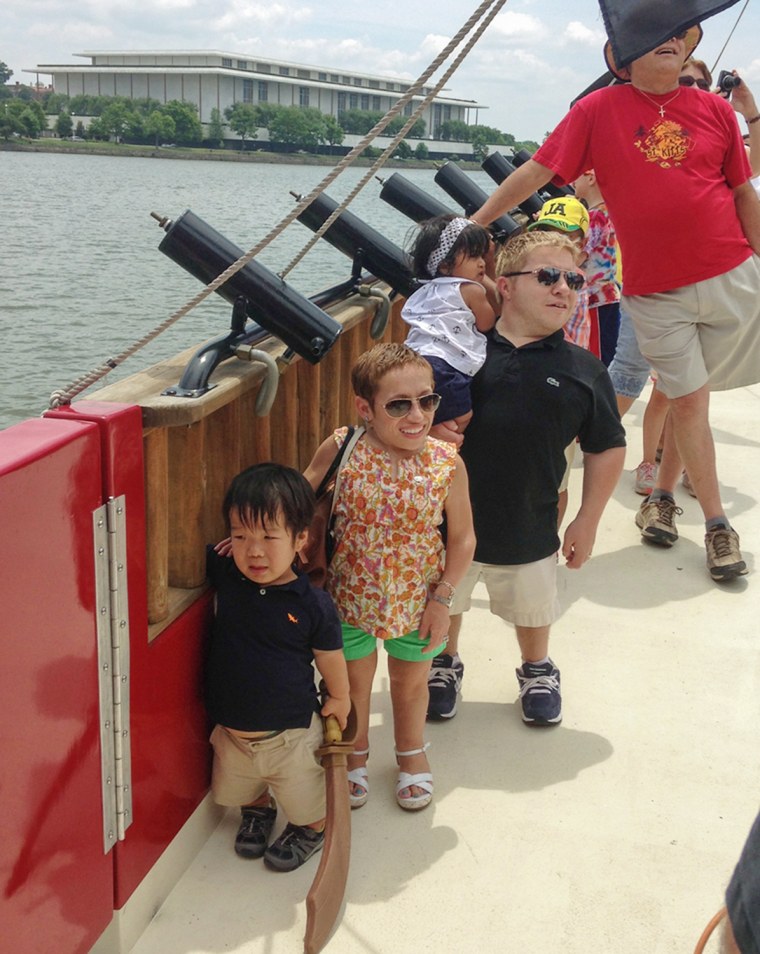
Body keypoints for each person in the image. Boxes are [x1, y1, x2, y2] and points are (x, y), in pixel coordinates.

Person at [471, 24, 760, 583]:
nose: (670, 39)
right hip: (655, 294)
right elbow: (537, 170)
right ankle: (719, 526)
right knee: (690, 399)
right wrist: (475, 224)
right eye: (656, 33)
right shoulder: (597, 110)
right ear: (621, 59)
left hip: (732, 274)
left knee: (687, 398)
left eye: (681, 33)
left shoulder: (717, 112)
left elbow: (743, 192)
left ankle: (664, 495)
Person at [427, 230, 626, 724]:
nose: (564, 288)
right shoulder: (459, 355)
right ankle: (443, 661)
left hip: (530, 525)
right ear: (505, 286)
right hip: (445, 527)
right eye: (547, 276)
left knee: (535, 610)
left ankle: (537, 668)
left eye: (573, 280)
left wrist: (587, 519)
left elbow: (607, 447)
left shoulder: (584, 370)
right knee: (445, 600)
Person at [303, 343, 476, 809]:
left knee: (411, 683)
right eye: (399, 405)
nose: (417, 414)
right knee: (354, 684)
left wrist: (443, 600)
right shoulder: (343, 448)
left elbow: (462, 540)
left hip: (419, 599)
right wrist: (257, 531)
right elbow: (297, 502)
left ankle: (411, 754)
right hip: (347, 596)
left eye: (427, 400)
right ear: (366, 408)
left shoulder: (446, 462)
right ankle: (357, 752)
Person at [205, 463, 350, 872]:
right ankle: (259, 809)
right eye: (240, 536)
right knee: (239, 787)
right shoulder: (228, 577)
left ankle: (311, 828)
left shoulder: (312, 605)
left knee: (306, 799)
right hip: (232, 733)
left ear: (300, 539)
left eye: (270, 537)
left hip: (290, 736)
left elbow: (329, 658)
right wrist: (224, 549)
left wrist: (340, 697)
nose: (254, 550)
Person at [401, 214, 499, 446]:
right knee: (463, 417)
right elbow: (488, 323)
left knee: (427, 414)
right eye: (474, 256)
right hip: (446, 367)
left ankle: (426, 439)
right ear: (445, 265)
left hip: (416, 359)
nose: (482, 263)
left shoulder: (425, 291)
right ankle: (444, 449)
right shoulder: (470, 290)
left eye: (483, 256)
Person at [571, 169, 621, 366]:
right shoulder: (608, 210)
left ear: (591, 178)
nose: (572, 181)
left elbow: (578, 256)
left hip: (597, 298)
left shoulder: (596, 216)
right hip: (606, 296)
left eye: (577, 176)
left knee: (598, 360)